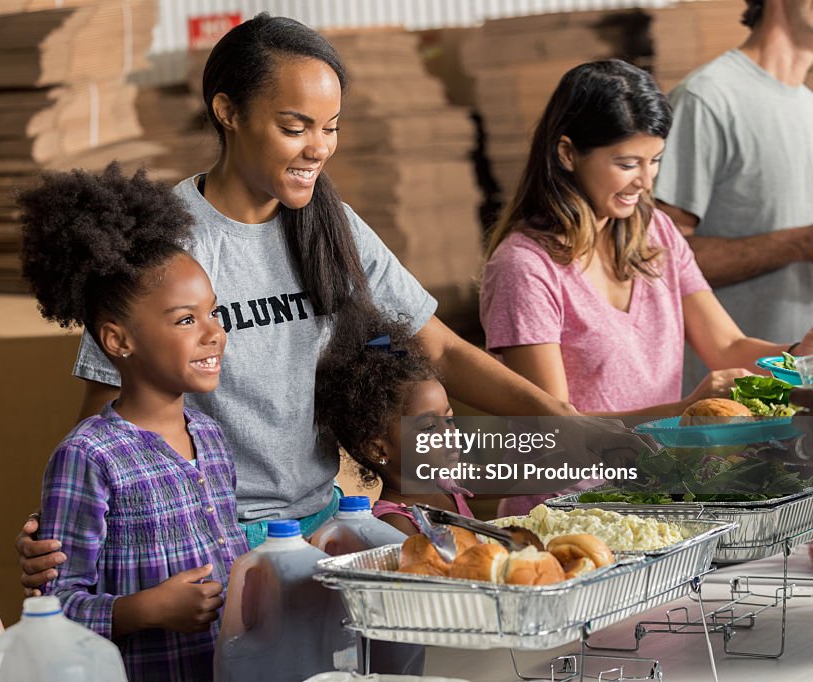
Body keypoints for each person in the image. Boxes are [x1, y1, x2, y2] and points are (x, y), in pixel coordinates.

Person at [16, 12, 610, 591]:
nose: (319, 148)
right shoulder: (168, 244)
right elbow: (105, 415)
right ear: (228, 112)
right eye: (295, 127)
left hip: (324, 527)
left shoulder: (332, 227)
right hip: (209, 540)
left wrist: (566, 427)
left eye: (330, 127)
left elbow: (445, 353)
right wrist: (65, 532)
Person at [480, 59, 813, 420]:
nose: (646, 181)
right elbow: (554, 426)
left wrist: (798, 356)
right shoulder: (524, 267)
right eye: (626, 164)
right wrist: (683, 411)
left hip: (661, 475)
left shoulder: (657, 232)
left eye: (654, 160)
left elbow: (727, 346)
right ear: (567, 154)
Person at [19, 165, 248, 681]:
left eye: (213, 313)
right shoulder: (90, 456)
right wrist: (144, 611)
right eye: (187, 319)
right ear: (119, 341)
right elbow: (51, 608)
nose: (215, 333)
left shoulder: (210, 438)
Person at [653, 0, 813, 393]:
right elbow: (657, 261)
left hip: (798, 391)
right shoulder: (707, 99)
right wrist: (798, 242)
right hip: (731, 410)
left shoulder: (807, 105)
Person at [313, 306, 475, 536]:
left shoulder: (447, 484)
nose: (449, 434)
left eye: (449, 420)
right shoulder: (395, 523)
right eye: (429, 428)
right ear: (377, 448)